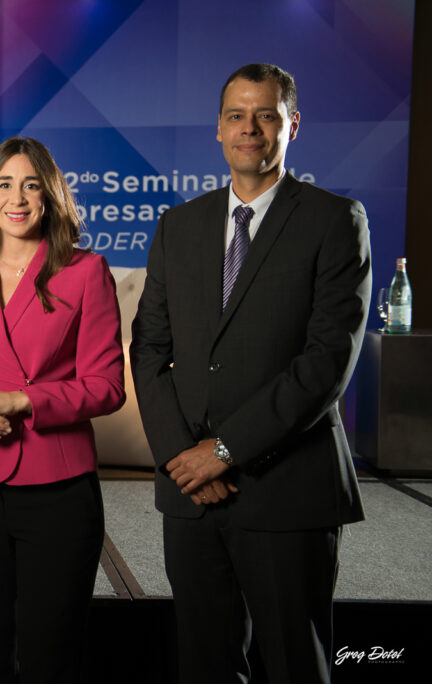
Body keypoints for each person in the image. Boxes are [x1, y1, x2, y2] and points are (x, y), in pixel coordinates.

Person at [131, 63, 371, 683]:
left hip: (287, 490)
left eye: (266, 115)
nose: (250, 129)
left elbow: (326, 364)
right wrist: (184, 458)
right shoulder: (178, 226)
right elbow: (149, 349)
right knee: (205, 665)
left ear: (292, 124)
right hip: (192, 495)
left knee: (296, 664)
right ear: (218, 130)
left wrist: (226, 450)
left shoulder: (334, 221)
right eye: (237, 116)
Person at [0, 136, 126, 682]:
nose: (17, 198)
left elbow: (108, 384)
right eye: (4, 184)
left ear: (51, 195)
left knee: (51, 652)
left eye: (31, 184)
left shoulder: (85, 271)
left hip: (58, 489)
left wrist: (22, 401)